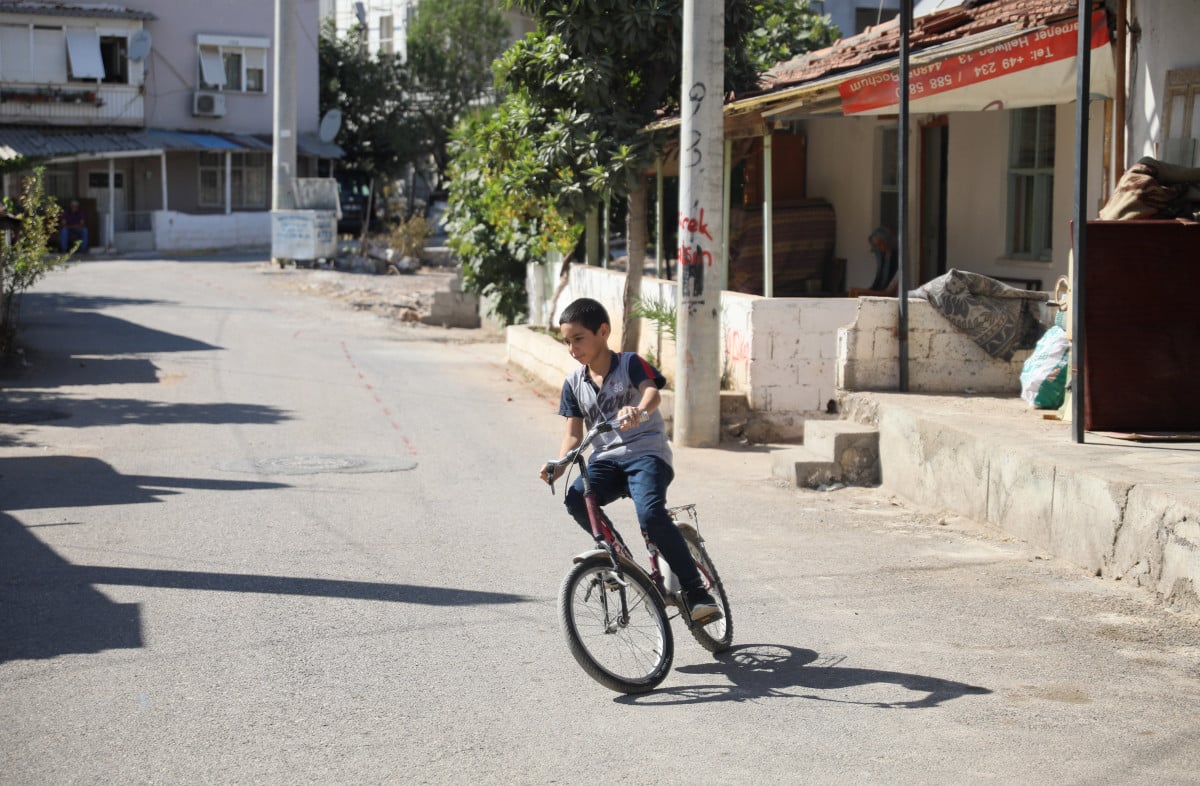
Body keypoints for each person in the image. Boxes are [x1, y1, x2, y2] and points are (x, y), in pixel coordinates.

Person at [538, 297, 721, 623]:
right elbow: (573, 435)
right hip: (606, 460)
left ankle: (697, 592)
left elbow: (652, 393)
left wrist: (640, 409)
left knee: (650, 515)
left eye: (578, 338)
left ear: (603, 331)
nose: (572, 348)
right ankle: (620, 558)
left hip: (646, 454)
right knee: (576, 497)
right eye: (567, 341)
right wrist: (560, 462)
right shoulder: (573, 383)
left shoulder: (630, 363)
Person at [848, 226, 897, 297]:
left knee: (855, 292)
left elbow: (890, 291)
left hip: (887, 294)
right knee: (853, 291)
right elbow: (878, 283)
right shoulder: (883, 258)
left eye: (880, 244)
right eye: (876, 246)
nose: (878, 248)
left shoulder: (895, 260)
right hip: (879, 291)